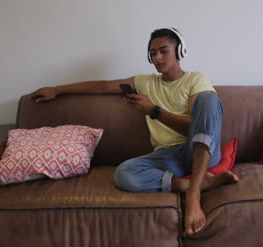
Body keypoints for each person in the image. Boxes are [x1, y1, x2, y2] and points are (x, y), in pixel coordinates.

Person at [30, 28, 239, 235]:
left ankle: (193, 196)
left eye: (163, 51)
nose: (157, 57)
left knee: (208, 100)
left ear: (180, 51)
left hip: (200, 151)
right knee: (124, 173)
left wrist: (154, 111)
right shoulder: (144, 82)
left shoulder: (196, 79)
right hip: (168, 157)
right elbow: (102, 86)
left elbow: (196, 128)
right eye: (153, 53)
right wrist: (57, 89)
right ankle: (197, 183)